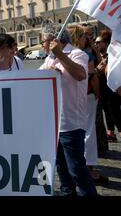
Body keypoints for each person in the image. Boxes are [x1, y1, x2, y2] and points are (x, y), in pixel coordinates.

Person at [39, 25, 97, 196]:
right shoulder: (49, 59)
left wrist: (60, 55)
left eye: (43, 41)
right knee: (63, 172)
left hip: (71, 123)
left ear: (53, 40)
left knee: (77, 170)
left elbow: (80, 74)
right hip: (54, 123)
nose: (42, 45)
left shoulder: (78, 54)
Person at [69, 25, 108, 185]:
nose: (89, 38)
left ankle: (80, 167)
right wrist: (98, 93)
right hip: (88, 94)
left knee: (78, 130)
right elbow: (93, 76)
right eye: (86, 35)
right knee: (89, 131)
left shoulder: (66, 53)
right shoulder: (84, 54)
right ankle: (89, 169)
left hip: (73, 97)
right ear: (79, 37)